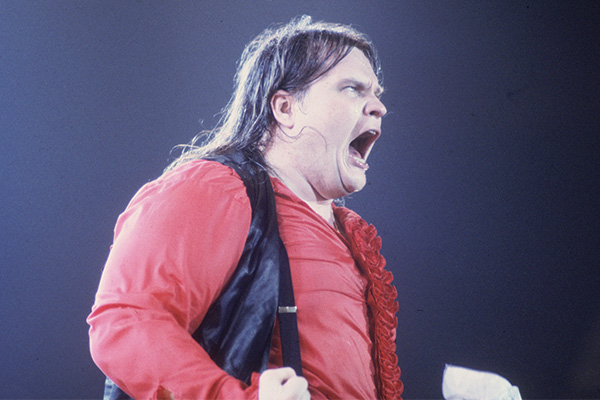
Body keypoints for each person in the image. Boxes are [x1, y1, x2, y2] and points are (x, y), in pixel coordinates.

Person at [87, 15, 403, 400]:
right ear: (285, 109)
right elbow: (126, 322)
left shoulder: (347, 232)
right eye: (352, 89)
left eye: (377, 93)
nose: (379, 107)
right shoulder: (216, 189)